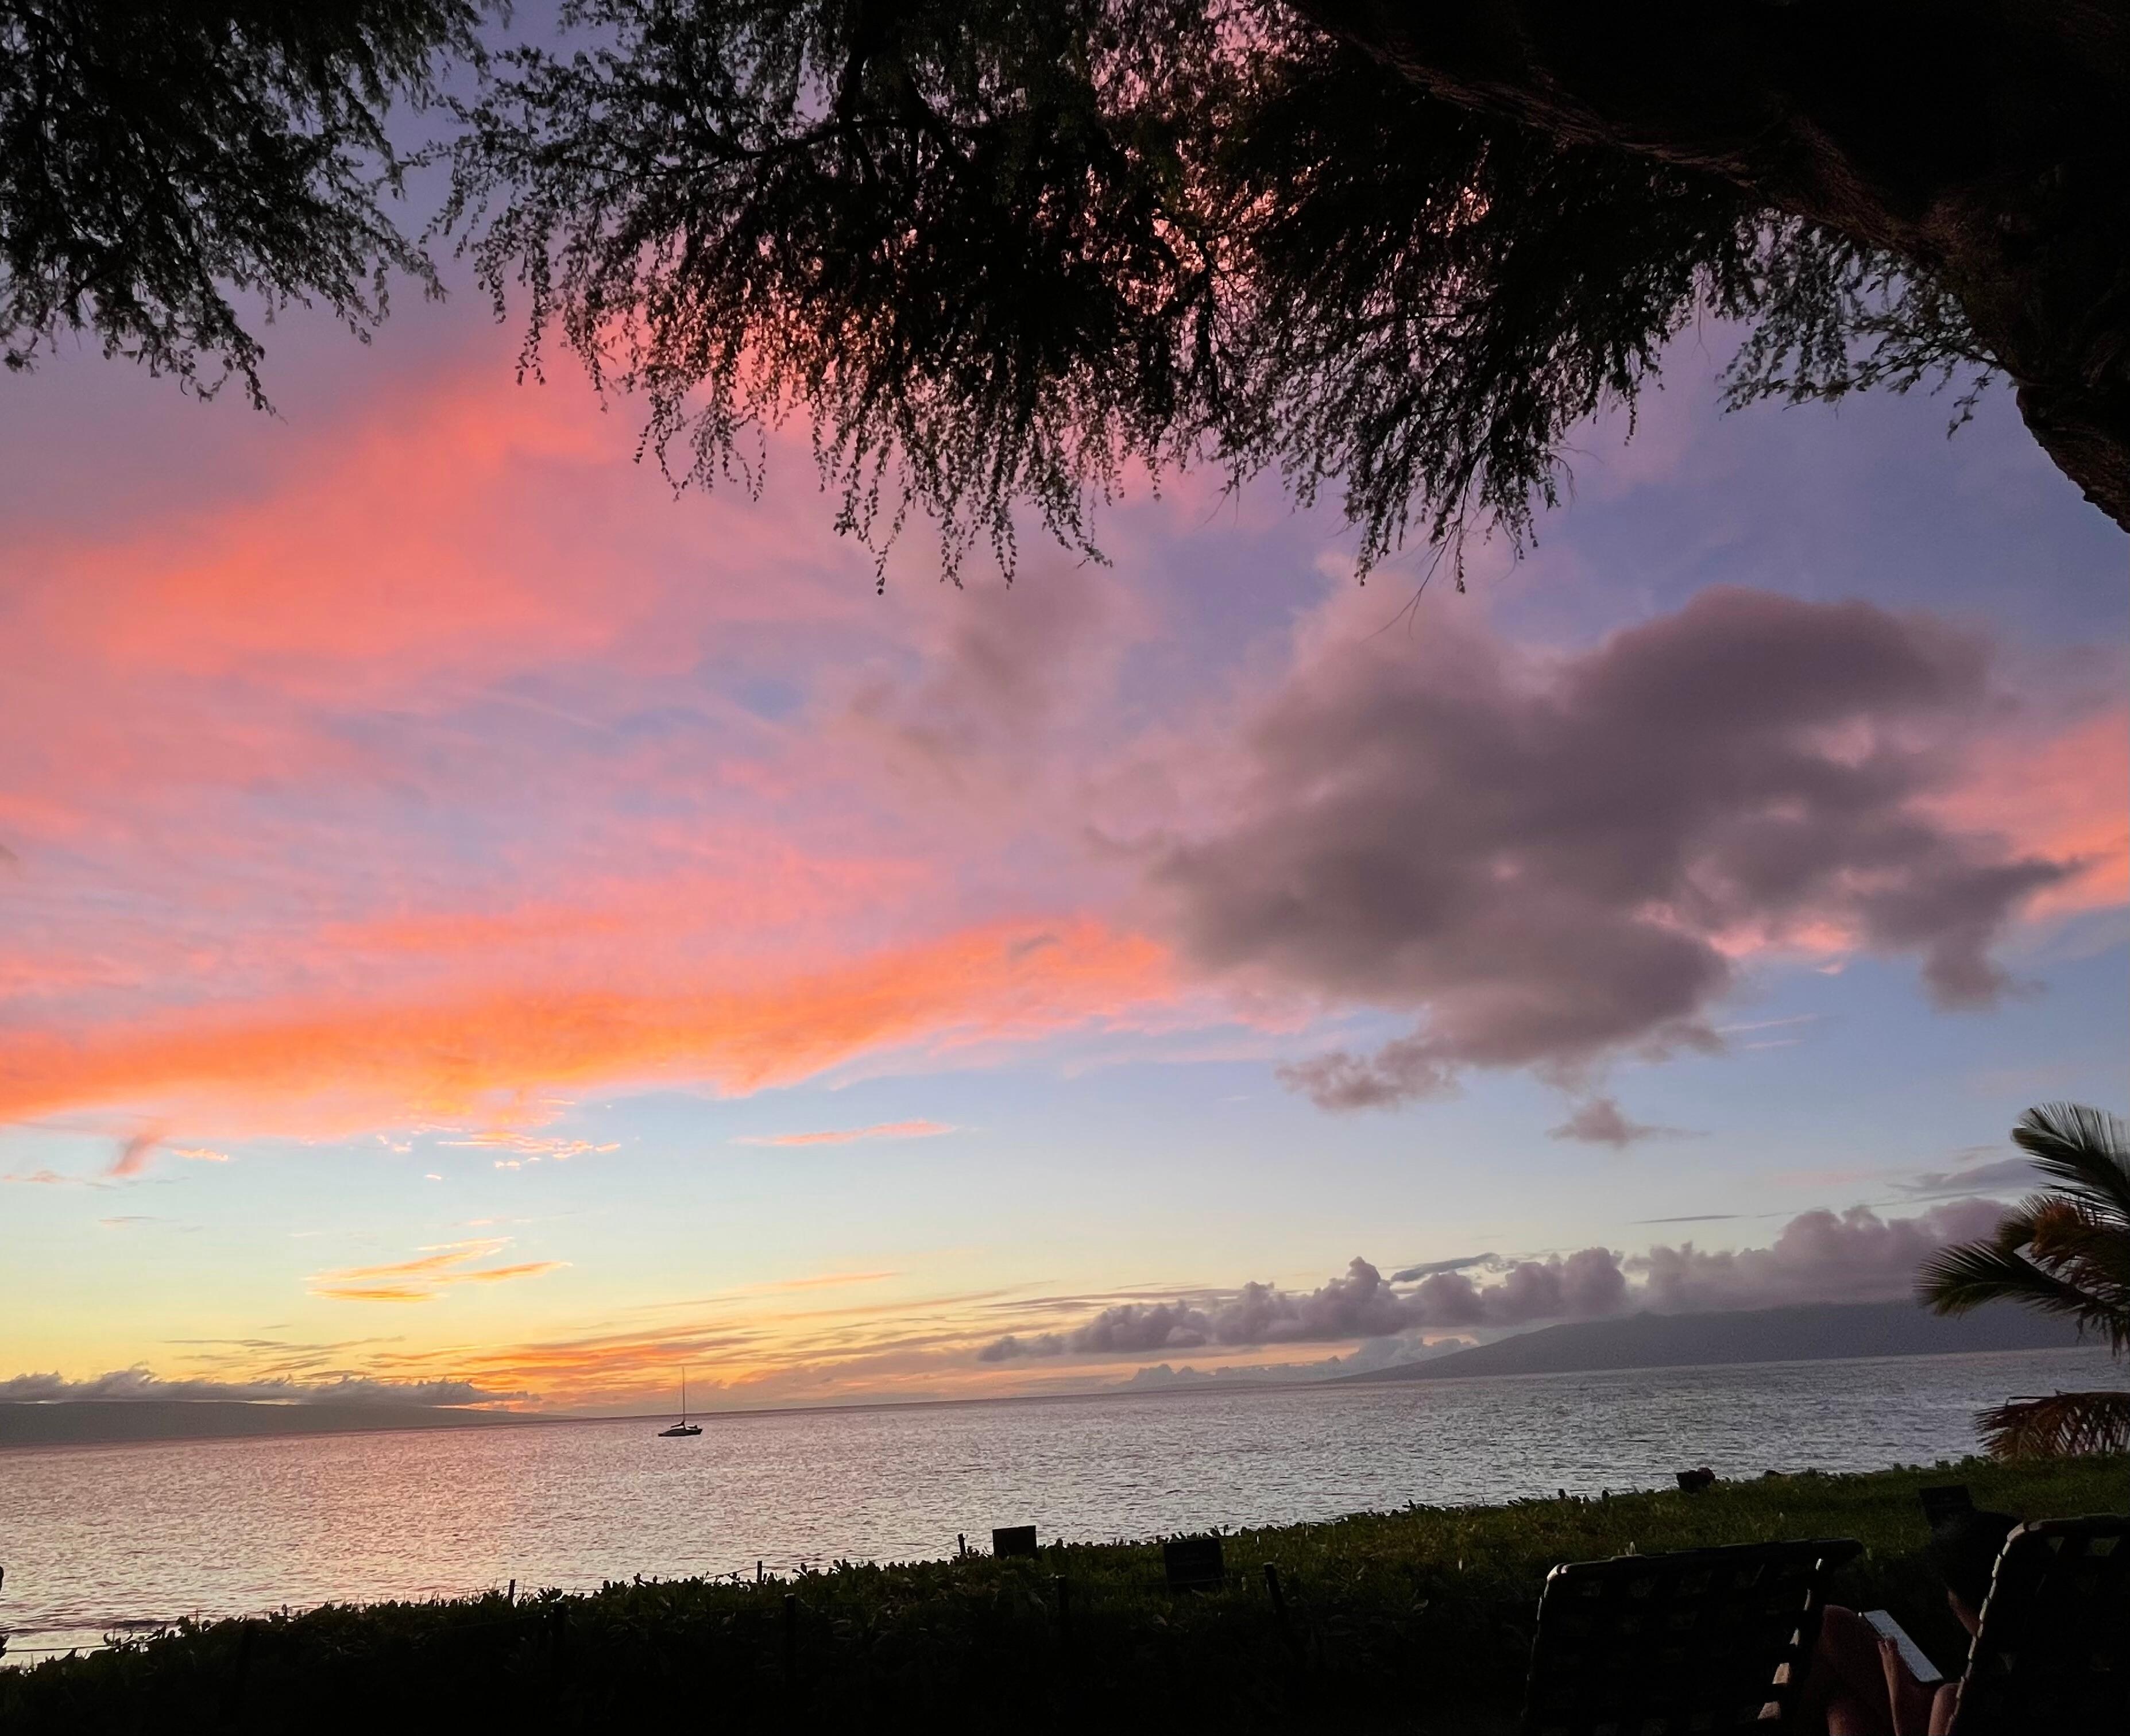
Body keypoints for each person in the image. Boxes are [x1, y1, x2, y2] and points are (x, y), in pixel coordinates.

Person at [1804, 1509, 2019, 1735]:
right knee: (1844, 1702)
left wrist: (1900, 1700)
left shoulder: (1958, 1705)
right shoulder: (2047, 1678)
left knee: (1832, 1643)